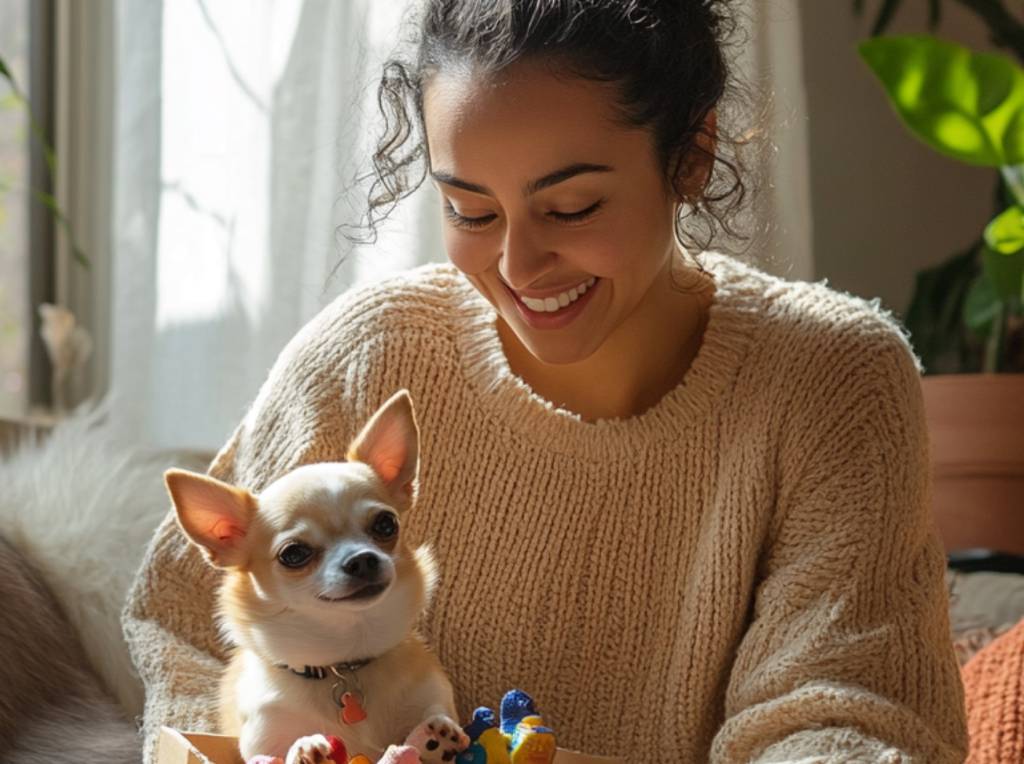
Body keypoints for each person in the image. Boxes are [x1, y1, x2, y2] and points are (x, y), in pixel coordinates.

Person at [123, 1, 969, 761]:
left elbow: (848, 708)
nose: (517, 265)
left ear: (692, 155)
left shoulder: (831, 377)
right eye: (471, 211)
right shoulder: (367, 354)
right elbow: (186, 630)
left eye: (571, 209)